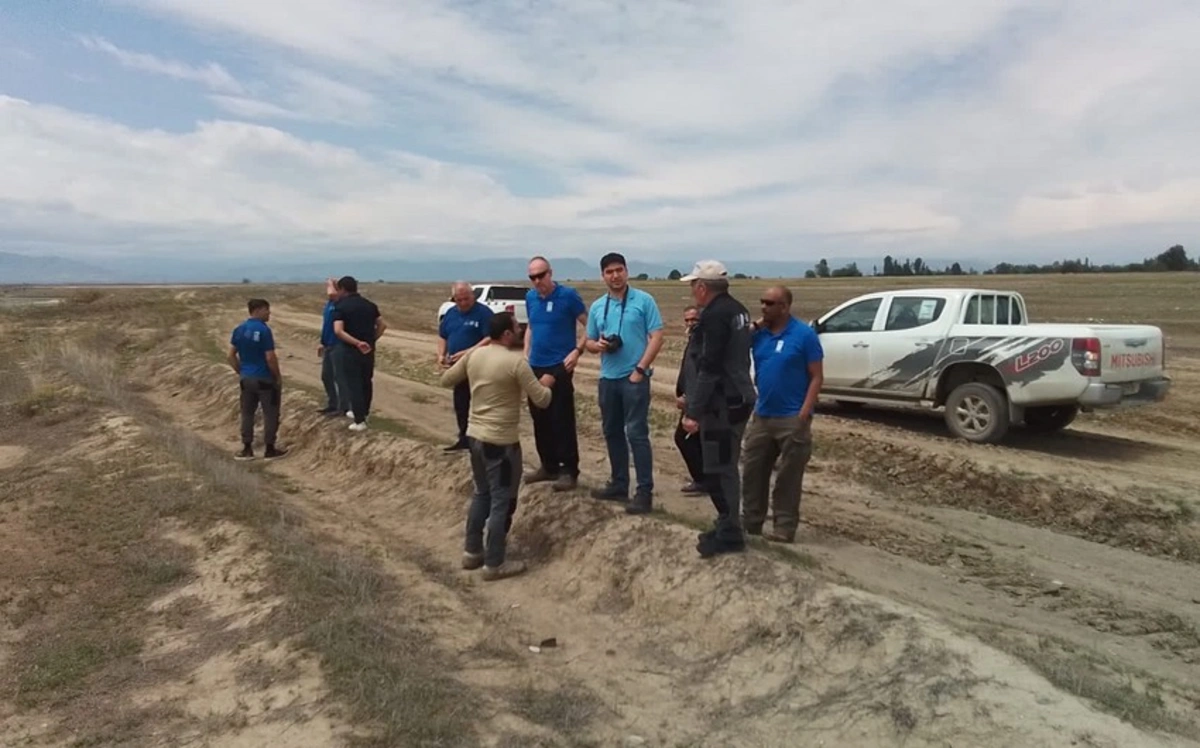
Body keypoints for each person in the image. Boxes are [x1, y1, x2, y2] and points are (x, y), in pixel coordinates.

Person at [440, 312, 554, 581]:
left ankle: (472, 552)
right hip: (501, 443)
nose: (518, 331)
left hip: (474, 437)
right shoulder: (516, 363)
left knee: (481, 494)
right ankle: (494, 563)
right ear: (506, 334)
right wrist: (547, 384)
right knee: (502, 501)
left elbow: (446, 380)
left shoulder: (474, 355)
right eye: (516, 328)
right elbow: (542, 400)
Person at [678, 260, 756, 558]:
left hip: (723, 403)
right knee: (724, 466)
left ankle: (730, 531)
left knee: (720, 468)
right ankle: (727, 524)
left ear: (702, 287)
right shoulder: (738, 310)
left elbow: (710, 367)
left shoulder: (714, 316)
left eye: (692, 286)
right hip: (737, 397)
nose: (692, 292)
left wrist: (693, 411)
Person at [741, 285, 825, 543]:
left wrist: (804, 413)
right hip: (763, 415)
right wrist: (754, 327)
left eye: (770, 303)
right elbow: (734, 343)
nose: (764, 307)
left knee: (788, 478)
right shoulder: (760, 335)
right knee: (753, 472)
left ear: (785, 307)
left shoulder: (804, 335)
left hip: (792, 418)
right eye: (762, 302)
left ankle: (784, 527)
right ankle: (751, 524)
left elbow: (816, 377)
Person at [584, 252, 665, 514]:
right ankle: (619, 484)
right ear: (603, 276)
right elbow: (588, 341)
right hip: (608, 378)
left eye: (619, 270)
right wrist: (598, 346)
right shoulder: (598, 306)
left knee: (637, 434)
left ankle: (644, 492)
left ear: (627, 271)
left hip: (634, 378)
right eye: (609, 272)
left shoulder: (644, 300)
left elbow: (657, 336)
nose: (615, 276)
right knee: (612, 432)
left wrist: (640, 369)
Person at [523, 256, 588, 491]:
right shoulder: (530, 297)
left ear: (551, 273)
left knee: (562, 418)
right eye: (533, 277)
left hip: (560, 365)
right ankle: (548, 465)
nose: (537, 281)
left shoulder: (568, 296)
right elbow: (530, 326)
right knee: (539, 417)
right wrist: (525, 352)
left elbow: (588, 324)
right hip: (535, 364)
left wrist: (577, 350)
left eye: (541, 275)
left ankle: (568, 469)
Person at [227, 298, 288, 460]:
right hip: (265, 378)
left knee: (247, 413)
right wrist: (277, 376)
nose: (269, 313)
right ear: (258, 310)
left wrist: (241, 371)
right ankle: (269, 449)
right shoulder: (264, 330)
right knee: (270, 413)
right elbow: (270, 357)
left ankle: (247, 448)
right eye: (267, 310)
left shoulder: (239, 329)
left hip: (246, 378)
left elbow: (231, 355)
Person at [437, 281, 494, 452]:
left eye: (466, 299)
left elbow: (490, 337)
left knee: (479, 403)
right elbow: (442, 335)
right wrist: (441, 354)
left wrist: (469, 352)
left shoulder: (484, 313)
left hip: (478, 365)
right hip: (457, 367)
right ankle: (464, 437)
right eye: (459, 300)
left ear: (472, 296)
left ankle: (481, 440)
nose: (463, 303)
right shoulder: (450, 313)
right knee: (461, 403)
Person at [332, 276, 386, 432]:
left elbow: (338, 330)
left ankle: (359, 419)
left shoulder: (341, 306)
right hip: (368, 350)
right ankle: (365, 413)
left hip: (350, 350)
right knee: (366, 381)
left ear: (342, 289)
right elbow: (382, 325)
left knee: (353, 384)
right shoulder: (370, 305)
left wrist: (356, 343)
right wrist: (370, 340)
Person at [674, 305, 706, 494]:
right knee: (693, 440)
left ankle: (704, 480)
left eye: (694, 319)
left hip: (697, 401)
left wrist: (690, 399)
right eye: (687, 320)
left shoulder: (702, 343)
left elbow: (700, 375)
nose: (690, 323)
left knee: (684, 438)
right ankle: (703, 478)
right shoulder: (693, 340)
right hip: (690, 398)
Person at [318, 277, 348, 416]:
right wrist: (322, 343)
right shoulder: (329, 304)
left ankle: (343, 407)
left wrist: (331, 282)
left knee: (339, 377)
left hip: (338, 345)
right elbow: (326, 325)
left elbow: (332, 293)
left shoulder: (340, 303)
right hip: (328, 344)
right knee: (326, 376)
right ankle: (333, 403)